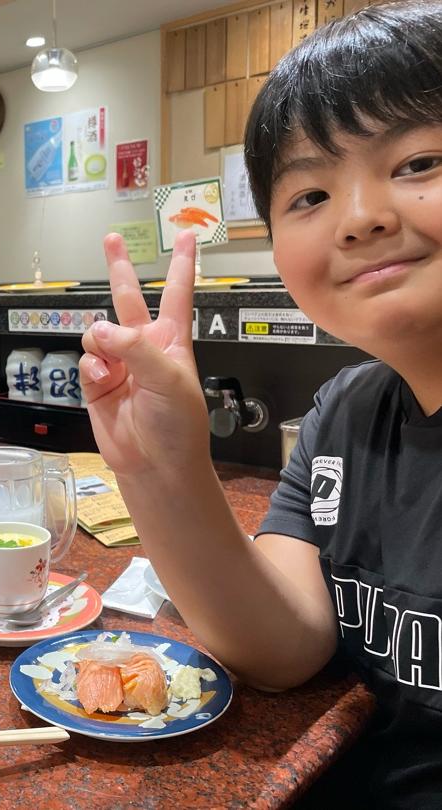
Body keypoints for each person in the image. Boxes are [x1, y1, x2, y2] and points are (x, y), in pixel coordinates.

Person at [80, 2, 442, 805]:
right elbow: (283, 650)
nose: (360, 218)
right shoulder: (344, 413)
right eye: (310, 195)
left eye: (418, 162)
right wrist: (162, 470)